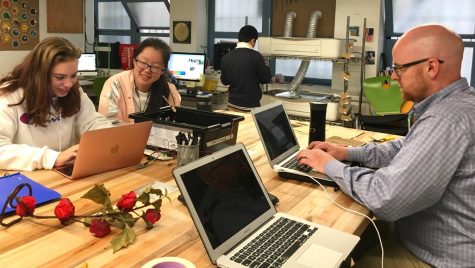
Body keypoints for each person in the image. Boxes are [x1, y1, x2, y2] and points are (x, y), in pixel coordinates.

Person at [297, 24, 475, 267]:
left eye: (399, 68)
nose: (392, 77)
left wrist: (329, 166)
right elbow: (406, 147)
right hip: (423, 238)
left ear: (431, 67)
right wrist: (347, 152)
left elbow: (386, 198)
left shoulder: (446, 118)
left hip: (436, 258)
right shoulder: (460, 103)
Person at [0, 37, 113, 171]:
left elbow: (92, 122)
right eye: (60, 77)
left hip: (63, 174)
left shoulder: (75, 93)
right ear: (39, 74)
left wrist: (111, 136)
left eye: (73, 76)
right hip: (25, 178)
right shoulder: (10, 96)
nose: (69, 84)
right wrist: (51, 158)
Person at [98, 38, 181, 123]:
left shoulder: (170, 92)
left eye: (155, 66)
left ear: (162, 71)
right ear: (134, 61)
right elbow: (107, 124)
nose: (147, 70)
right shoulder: (115, 84)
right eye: (143, 63)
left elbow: (174, 126)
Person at [220, 25, 271, 111]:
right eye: (255, 42)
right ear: (252, 40)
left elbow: (224, 82)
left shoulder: (226, 57)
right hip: (250, 107)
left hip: (232, 105)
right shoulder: (256, 56)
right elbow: (265, 79)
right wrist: (266, 65)